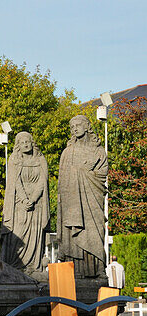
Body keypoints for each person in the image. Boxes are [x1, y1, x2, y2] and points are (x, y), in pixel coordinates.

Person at [57, 116, 108, 277]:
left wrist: (84, 174)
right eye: (72, 127)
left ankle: (97, 268)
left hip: (92, 199)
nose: (75, 129)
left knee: (94, 231)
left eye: (78, 125)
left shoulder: (98, 152)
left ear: (87, 126)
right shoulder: (67, 152)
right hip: (72, 201)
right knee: (73, 234)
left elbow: (102, 173)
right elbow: (62, 180)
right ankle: (76, 270)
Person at [0, 132, 50, 273]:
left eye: (28, 141)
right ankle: (15, 266)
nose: (26, 144)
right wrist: (24, 199)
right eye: (22, 142)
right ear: (18, 146)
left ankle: (33, 266)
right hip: (19, 205)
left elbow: (43, 181)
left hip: (36, 205)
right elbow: (15, 181)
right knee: (18, 235)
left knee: (34, 236)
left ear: (32, 143)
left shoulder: (40, 160)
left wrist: (33, 199)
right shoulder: (14, 159)